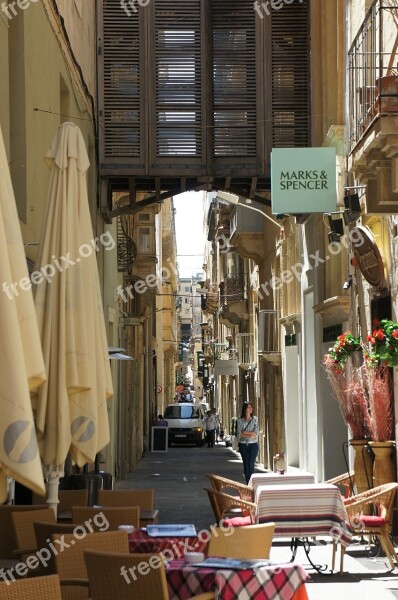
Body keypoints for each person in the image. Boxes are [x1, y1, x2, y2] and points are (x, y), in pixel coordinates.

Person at [236, 402, 259, 484]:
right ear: (245, 409)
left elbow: (256, 433)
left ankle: (251, 483)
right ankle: (247, 483)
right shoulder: (240, 420)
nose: (251, 409)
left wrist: (244, 432)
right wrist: (250, 434)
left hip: (253, 445)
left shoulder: (255, 419)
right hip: (243, 446)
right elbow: (239, 433)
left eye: (251, 407)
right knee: (246, 464)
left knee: (251, 463)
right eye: (249, 407)